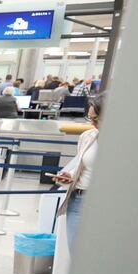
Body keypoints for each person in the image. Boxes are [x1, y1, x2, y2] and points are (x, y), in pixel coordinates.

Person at [55, 95, 101, 256]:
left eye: (97, 119)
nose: (93, 123)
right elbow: (82, 165)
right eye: (90, 118)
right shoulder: (87, 137)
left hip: (105, 204)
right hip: (79, 200)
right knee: (77, 256)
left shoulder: (127, 143)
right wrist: (69, 175)